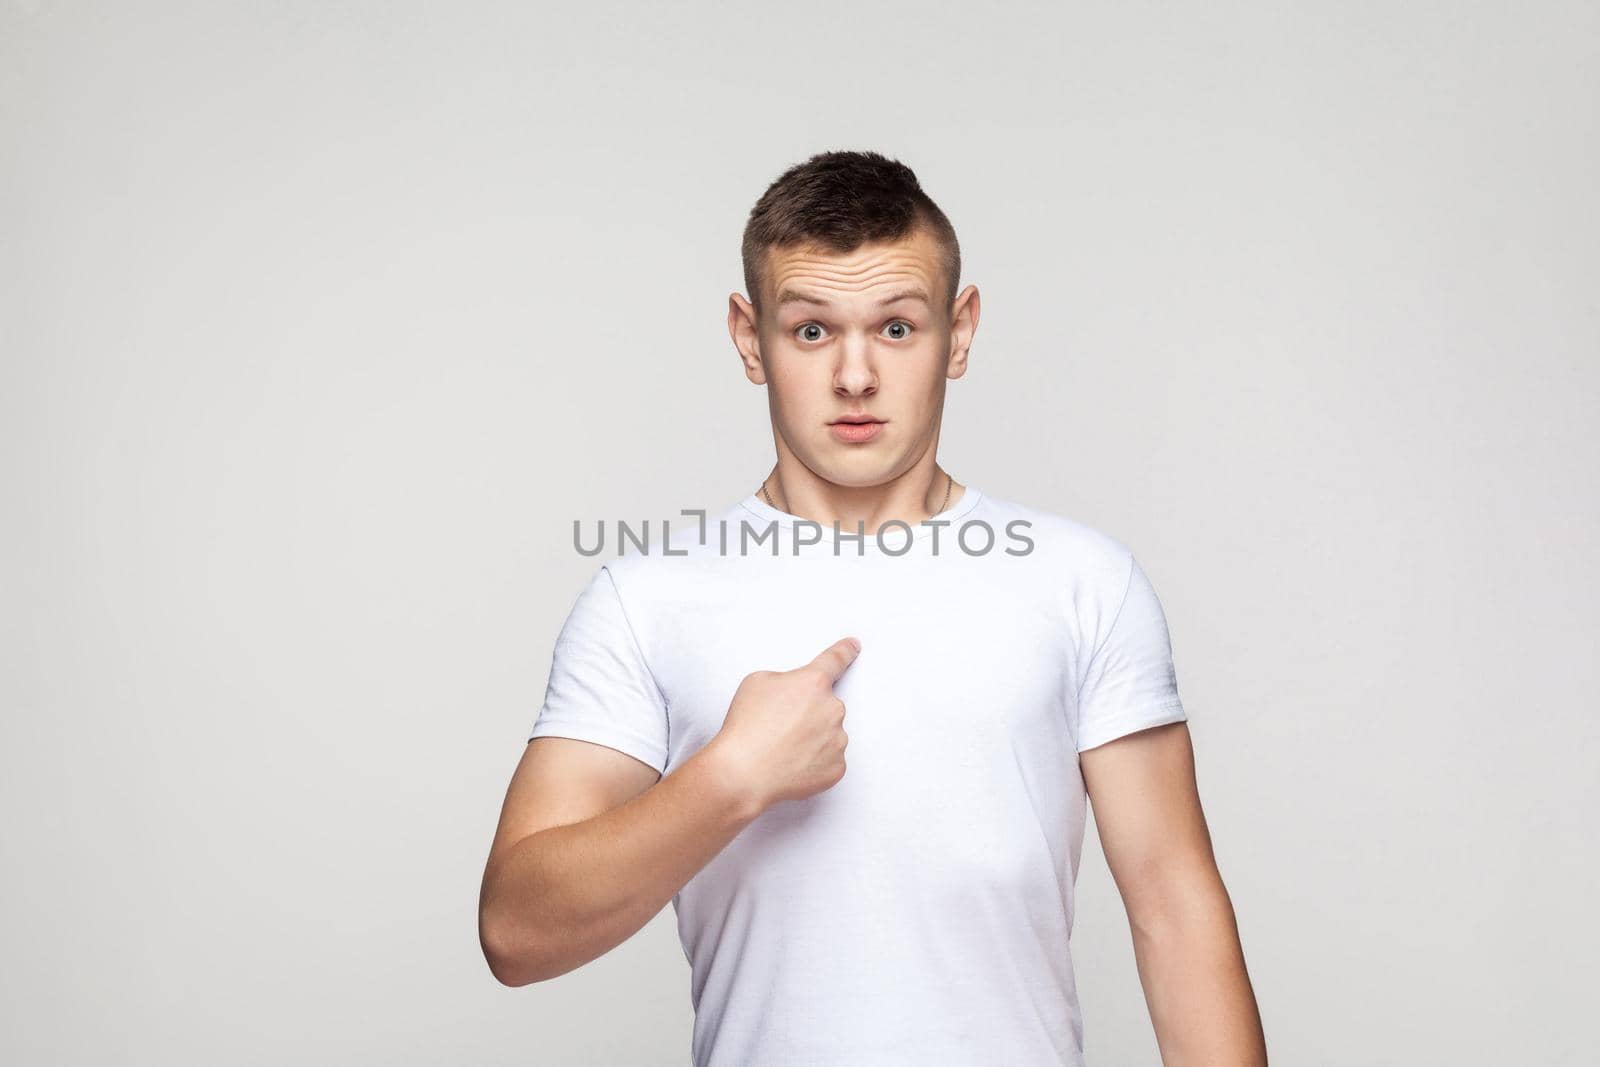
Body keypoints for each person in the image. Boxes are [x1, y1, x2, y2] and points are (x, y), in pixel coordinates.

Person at [478, 149, 1267, 1066]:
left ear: (959, 331)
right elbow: (516, 930)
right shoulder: (645, 600)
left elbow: (1174, 910)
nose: (855, 377)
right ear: (749, 336)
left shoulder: (1082, 580)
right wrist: (727, 779)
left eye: (897, 327)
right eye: (812, 331)